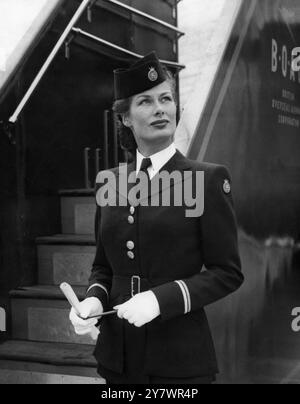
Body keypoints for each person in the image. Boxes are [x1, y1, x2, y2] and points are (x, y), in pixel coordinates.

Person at [69, 51, 244, 384]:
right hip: (117, 358)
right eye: (146, 102)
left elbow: (227, 273)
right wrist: (93, 299)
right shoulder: (111, 182)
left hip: (178, 360)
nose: (161, 108)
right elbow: (104, 266)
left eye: (166, 99)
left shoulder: (205, 180)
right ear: (125, 118)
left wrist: (159, 299)